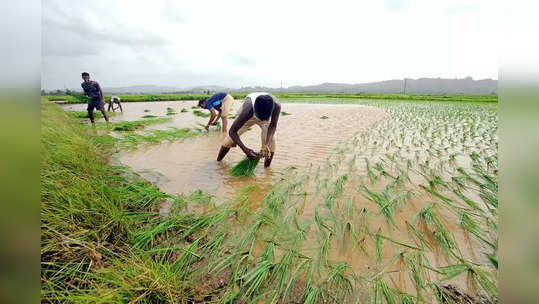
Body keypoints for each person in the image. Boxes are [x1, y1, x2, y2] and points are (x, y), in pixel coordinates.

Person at [217, 92, 281, 167]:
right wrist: (245, 149)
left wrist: (266, 144)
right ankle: (218, 162)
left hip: (266, 119)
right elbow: (232, 131)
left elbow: (273, 126)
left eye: (265, 118)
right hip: (249, 117)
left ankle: (266, 169)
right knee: (229, 140)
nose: (262, 119)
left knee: (271, 141)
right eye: (260, 118)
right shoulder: (248, 110)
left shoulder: (276, 106)